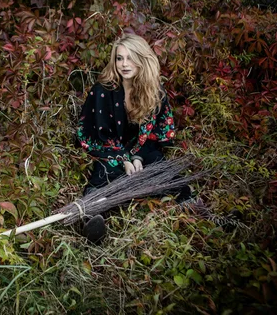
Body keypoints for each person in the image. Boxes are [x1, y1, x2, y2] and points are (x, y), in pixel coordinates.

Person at [76, 34, 191, 243]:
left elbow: (158, 131)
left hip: (141, 145)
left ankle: (194, 209)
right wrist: (124, 159)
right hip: (110, 145)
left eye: (130, 58)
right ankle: (90, 217)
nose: (124, 64)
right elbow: (100, 133)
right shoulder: (103, 91)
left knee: (160, 167)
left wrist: (138, 156)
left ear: (142, 59)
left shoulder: (154, 91)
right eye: (119, 58)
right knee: (106, 170)